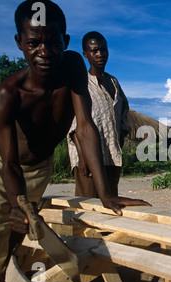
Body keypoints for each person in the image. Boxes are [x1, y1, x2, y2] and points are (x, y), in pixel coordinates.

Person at [0, 0, 149, 282]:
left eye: (52, 43)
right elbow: (9, 164)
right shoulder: (7, 95)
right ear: (19, 43)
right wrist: (18, 203)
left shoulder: (73, 66)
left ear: (65, 41)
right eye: (34, 43)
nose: (44, 52)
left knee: (19, 238)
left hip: (40, 166)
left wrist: (105, 195)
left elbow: (86, 127)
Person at [68, 31, 130, 197]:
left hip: (111, 154)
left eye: (103, 50)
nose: (100, 54)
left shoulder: (114, 82)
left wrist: (122, 133)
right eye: (94, 51)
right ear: (86, 54)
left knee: (111, 202)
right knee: (88, 204)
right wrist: (82, 156)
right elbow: (74, 125)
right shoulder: (81, 83)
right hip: (88, 157)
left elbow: (124, 109)